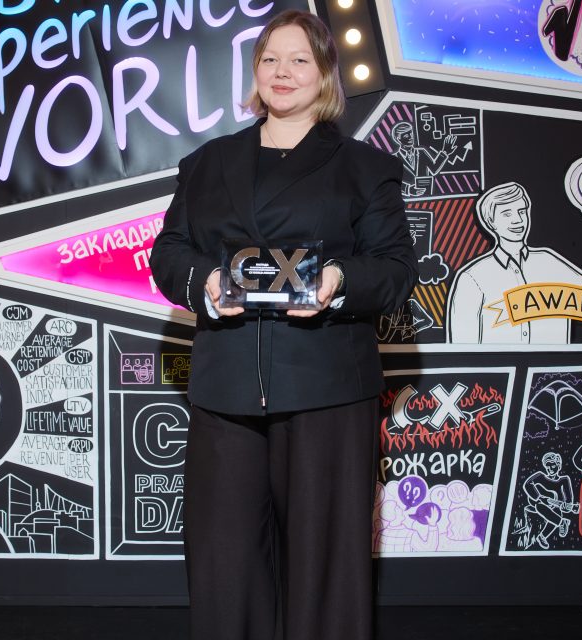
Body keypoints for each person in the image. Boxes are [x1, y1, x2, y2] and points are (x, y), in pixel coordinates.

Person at [150, 9, 418, 640]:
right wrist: (205, 281)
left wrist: (337, 281)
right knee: (224, 565)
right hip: (227, 390)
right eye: (270, 58)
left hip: (327, 388)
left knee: (326, 567)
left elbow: (395, 269)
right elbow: (169, 252)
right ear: (255, 71)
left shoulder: (364, 168)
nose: (283, 71)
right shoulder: (207, 163)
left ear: (324, 73)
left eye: (300, 59)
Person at [447, 181, 582, 344]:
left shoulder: (549, 262)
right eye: (507, 214)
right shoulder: (472, 278)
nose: (517, 220)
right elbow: (463, 347)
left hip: (553, 362)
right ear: (490, 221)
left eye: (522, 211)